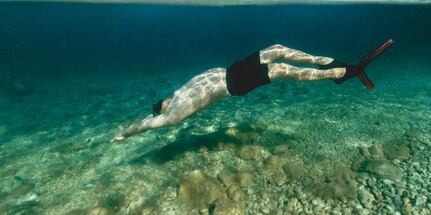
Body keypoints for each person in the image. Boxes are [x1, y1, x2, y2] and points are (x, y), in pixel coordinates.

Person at [113, 39, 393, 141]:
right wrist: (126, 131)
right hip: (232, 77)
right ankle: (338, 70)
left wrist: (129, 129)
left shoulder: (176, 100)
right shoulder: (179, 101)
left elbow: (156, 116)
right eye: (161, 104)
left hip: (233, 76)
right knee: (282, 63)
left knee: (281, 56)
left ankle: (334, 68)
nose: (162, 105)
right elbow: (154, 120)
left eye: (161, 104)